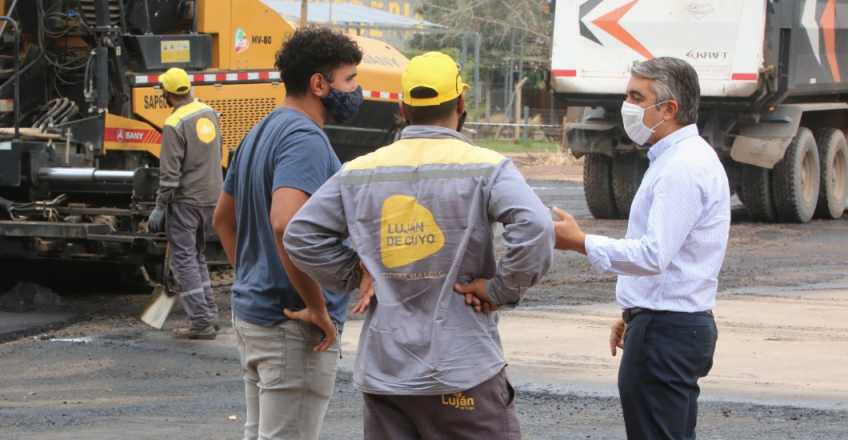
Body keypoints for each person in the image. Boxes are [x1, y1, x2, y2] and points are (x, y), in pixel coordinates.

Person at [283, 51, 555, 440]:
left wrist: (356, 273)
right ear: (461, 103)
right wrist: (500, 290)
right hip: (462, 370)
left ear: (403, 108)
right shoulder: (488, 167)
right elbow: (536, 227)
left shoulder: (359, 171)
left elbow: (300, 236)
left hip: (386, 376)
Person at [552, 56, 729, 440]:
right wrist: (635, 313)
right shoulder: (681, 158)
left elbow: (653, 255)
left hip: (666, 332)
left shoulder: (682, 166)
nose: (627, 106)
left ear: (668, 109)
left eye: (637, 97)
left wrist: (581, 242)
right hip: (666, 324)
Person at [211, 27, 364, 439]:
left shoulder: (259, 131)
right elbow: (286, 224)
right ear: (319, 84)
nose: (356, 89)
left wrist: (252, 275)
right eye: (349, 79)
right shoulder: (305, 139)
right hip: (293, 326)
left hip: (256, 316)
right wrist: (316, 305)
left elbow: (222, 219)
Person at [148, 67, 223, 340]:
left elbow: (169, 174)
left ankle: (201, 322)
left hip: (186, 201)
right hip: (211, 197)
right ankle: (210, 314)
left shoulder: (174, 124)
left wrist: (160, 206)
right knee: (197, 256)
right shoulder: (209, 113)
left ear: (166, 94)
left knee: (184, 260)